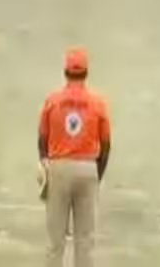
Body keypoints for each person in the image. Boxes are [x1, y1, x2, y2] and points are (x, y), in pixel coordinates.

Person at [38, 48, 111, 267]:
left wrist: (45, 164)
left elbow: (42, 138)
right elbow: (106, 145)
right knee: (85, 242)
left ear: (65, 72)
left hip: (59, 169)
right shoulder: (98, 103)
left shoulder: (52, 101)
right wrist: (96, 174)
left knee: (55, 242)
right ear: (86, 73)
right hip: (87, 168)